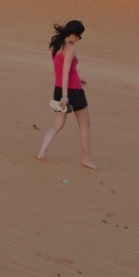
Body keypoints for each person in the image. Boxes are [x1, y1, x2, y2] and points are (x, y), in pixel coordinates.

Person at [37, 20, 97, 169]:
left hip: (58, 89)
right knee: (84, 126)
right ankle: (86, 159)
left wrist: (78, 78)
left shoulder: (55, 45)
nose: (78, 39)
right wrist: (65, 96)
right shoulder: (69, 49)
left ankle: (42, 152)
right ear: (72, 35)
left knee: (56, 125)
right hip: (73, 92)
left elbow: (63, 70)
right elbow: (65, 72)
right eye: (78, 36)